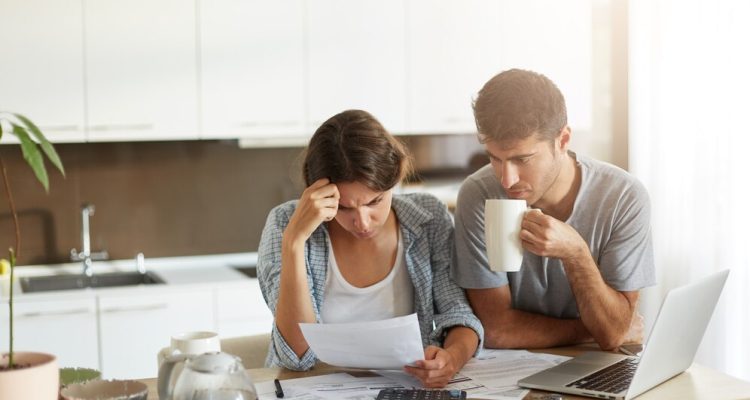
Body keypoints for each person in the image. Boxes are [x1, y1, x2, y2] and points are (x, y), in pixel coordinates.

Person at [257, 109, 482, 387]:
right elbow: (296, 357)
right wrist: (294, 242)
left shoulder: (429, 218)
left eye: (375, 201)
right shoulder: (285, 224)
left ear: (397, 173)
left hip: (402, 389)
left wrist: (452, 358)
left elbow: (457, 312)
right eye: (344, 207)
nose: (362, 222)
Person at [451, 69, 655, 351]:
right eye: (495, 158)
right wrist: (590, 331)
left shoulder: (623, 197)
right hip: (513, 370)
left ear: (562, 140)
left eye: (522, 159)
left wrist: (576, 253)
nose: (506, 179)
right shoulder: (478, 194)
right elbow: (497, 330)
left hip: (598, 364)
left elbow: (612, 335)